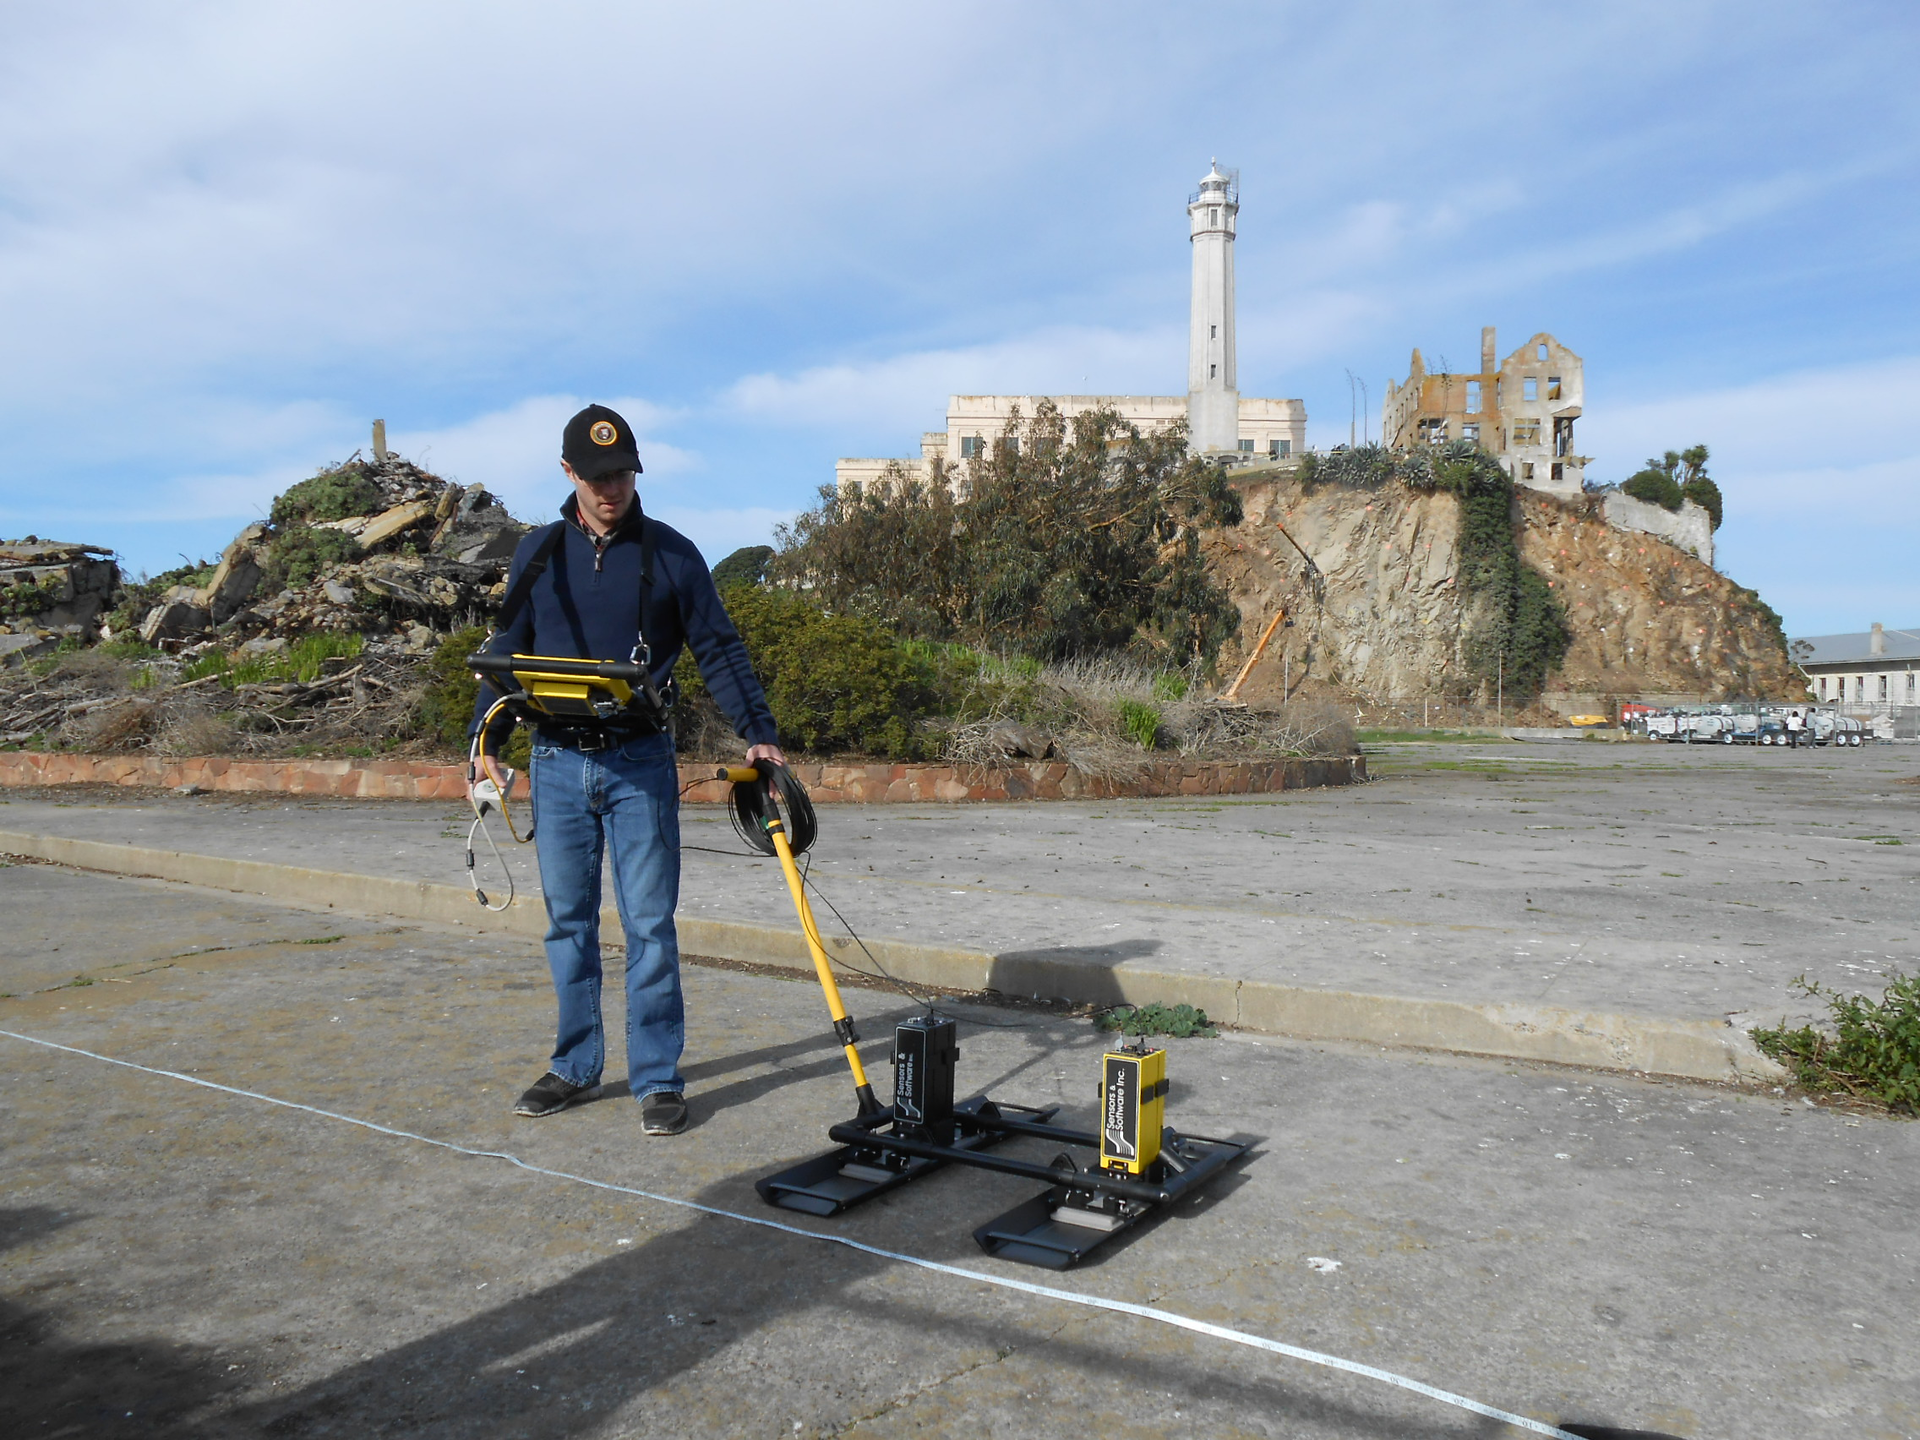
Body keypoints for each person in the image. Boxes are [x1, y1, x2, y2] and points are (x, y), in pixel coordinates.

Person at [469, 404, 784, 1134]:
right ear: (568, 473)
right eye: (597, 475)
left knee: (649, 924)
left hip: (639, 762)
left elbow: (721, 649)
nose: (612, 488)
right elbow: (506, 646)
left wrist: (759, 733)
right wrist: (483, 735)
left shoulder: (672, 555)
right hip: (554, 761)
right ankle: (575, 1067)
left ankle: (656, 1079)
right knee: (568, 924)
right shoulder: (538, 552)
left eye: (623, 474)